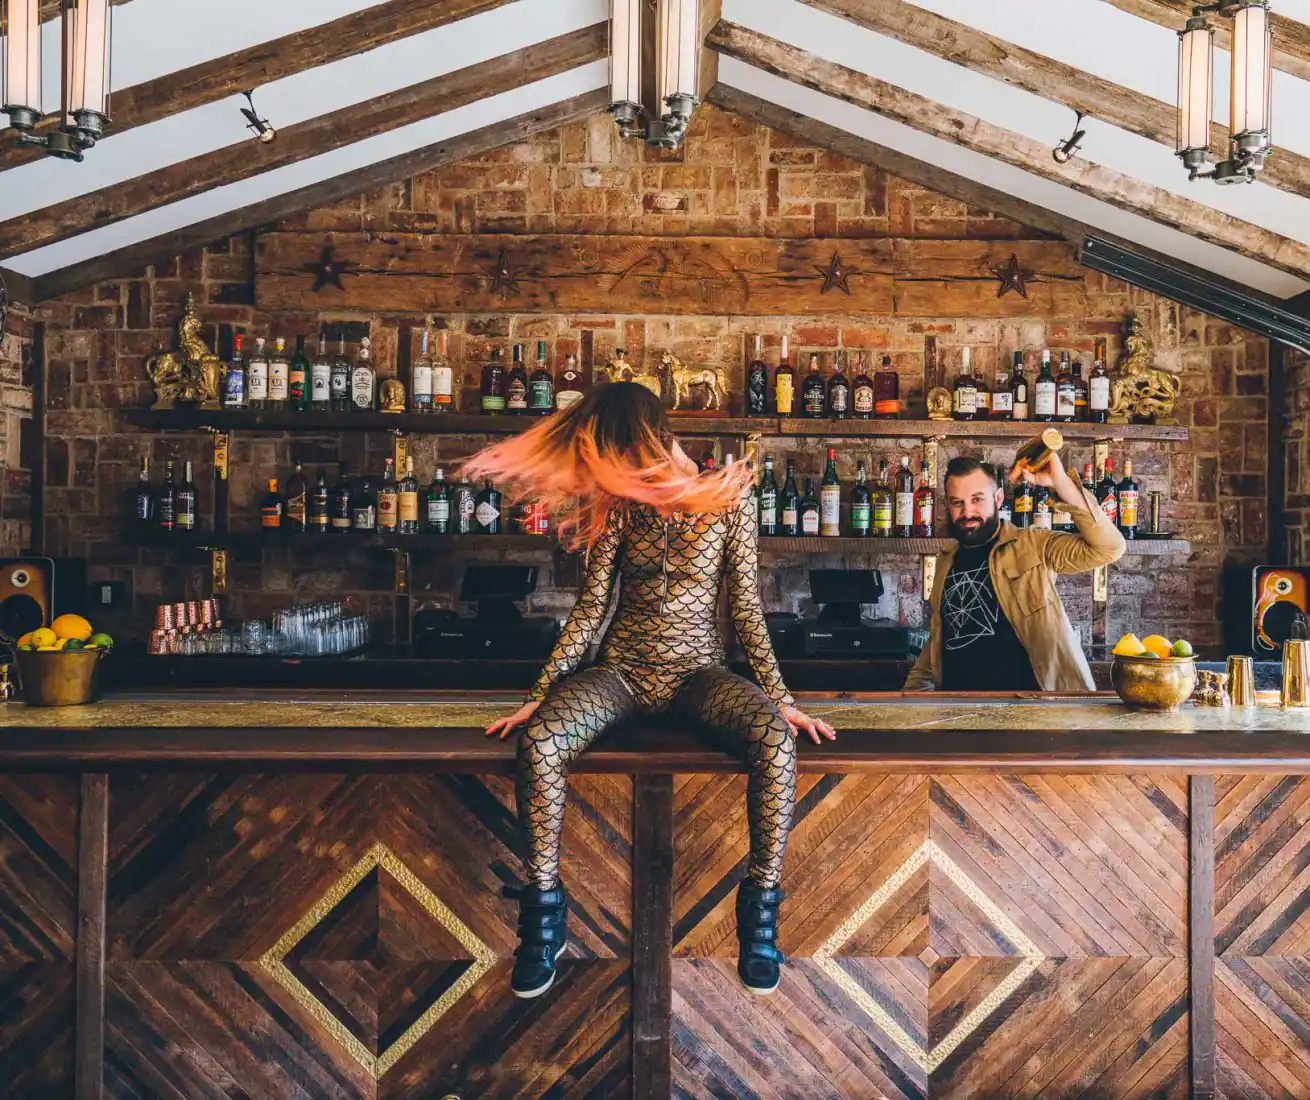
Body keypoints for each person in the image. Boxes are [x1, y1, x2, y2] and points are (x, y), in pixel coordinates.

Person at [465, 382, 835, 1000]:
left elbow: (746, 608)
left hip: (698, 675)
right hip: (623, 673)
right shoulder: (623, 505)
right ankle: (543, 916)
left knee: (774, 742)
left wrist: (780, 695)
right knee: (543, 742)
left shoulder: (728, 500)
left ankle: (760, 919)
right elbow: (591, 607)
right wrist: (544, 690)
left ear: (650, 437)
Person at [905, 453, 1125, 692]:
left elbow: (1109, 547)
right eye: (957, 502)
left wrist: (1061, 482)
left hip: (1032, 716)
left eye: (977, 499)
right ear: (948, 505)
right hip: (958, 715)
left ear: (998, 498)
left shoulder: (1033, 544)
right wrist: (908, 704)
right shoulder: (946, 561)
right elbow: (937, 644)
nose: (967, 512)